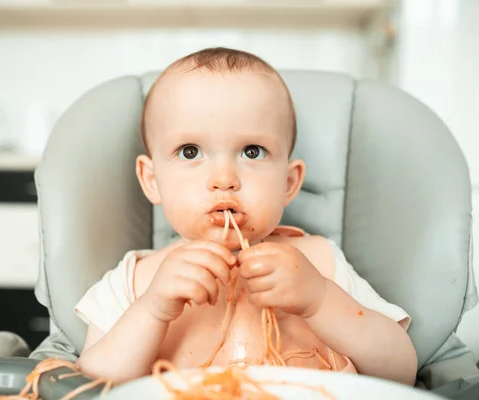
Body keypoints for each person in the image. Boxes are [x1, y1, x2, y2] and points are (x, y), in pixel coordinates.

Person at [74, 47, 417, 386]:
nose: (224, 179)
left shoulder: (320, 263)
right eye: (190, 151)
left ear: (288, 182)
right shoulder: (135, 281)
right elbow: (87, 384)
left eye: (252, 151)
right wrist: (151, 310)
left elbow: (400, 371)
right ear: (152, 180)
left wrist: (320, 300)